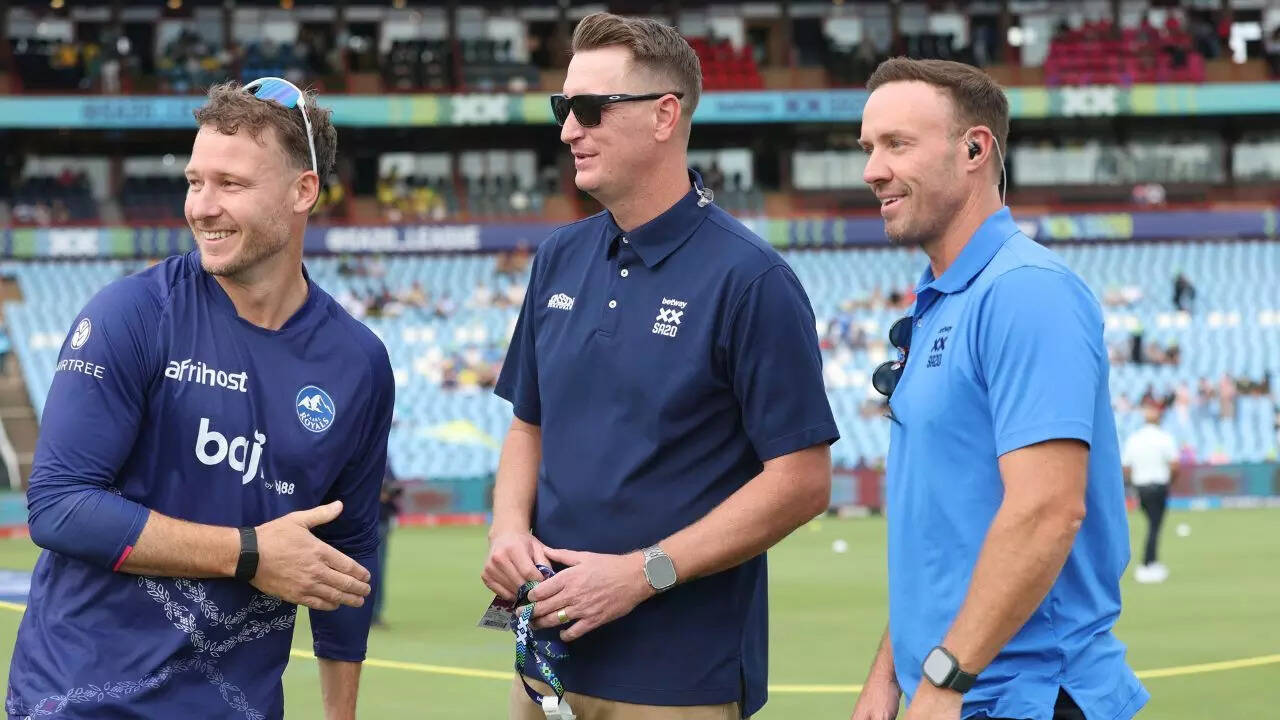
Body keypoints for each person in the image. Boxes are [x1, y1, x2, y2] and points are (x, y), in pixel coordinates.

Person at [481, 13, 838, 720]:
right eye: (563, 108)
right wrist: (506, 532)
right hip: (545, 663)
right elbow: (528, 424)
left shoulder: (751, 280)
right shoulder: (557, 256)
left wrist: (643, 575)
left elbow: (801, 483)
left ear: (664, 115)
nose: (568, 129)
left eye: (588, 109)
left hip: (681, 681)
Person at [6, 78, 394, 720]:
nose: (202, 207)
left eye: (231, 184)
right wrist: (248, 554)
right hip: (77, 703)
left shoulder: (359, 362)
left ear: (304, 191)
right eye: (194, 181)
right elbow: (57, 506)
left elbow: (347, 557)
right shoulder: (130, 314)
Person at [850, 58, 1147, 720]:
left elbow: (1046, 512)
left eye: (897, 144)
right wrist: (889, 673)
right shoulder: (943, 299)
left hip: (1028, 695)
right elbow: (947, 528)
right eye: (869, 147)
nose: (871, 169)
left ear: (975, 149)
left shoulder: (1024, 291)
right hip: (959, 687)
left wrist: (944, 680)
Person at [1122, 404, 1179, 584]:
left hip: (1141, 487)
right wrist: (1169, 481)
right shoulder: (1164, 438)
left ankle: (1150, 562)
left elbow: (1126, 467)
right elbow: (1175, 465)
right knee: (1155, 525)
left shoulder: (1134, 438)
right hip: (1159, 486)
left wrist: (1132, 485)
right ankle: (1148, 564)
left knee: (1152, 524)